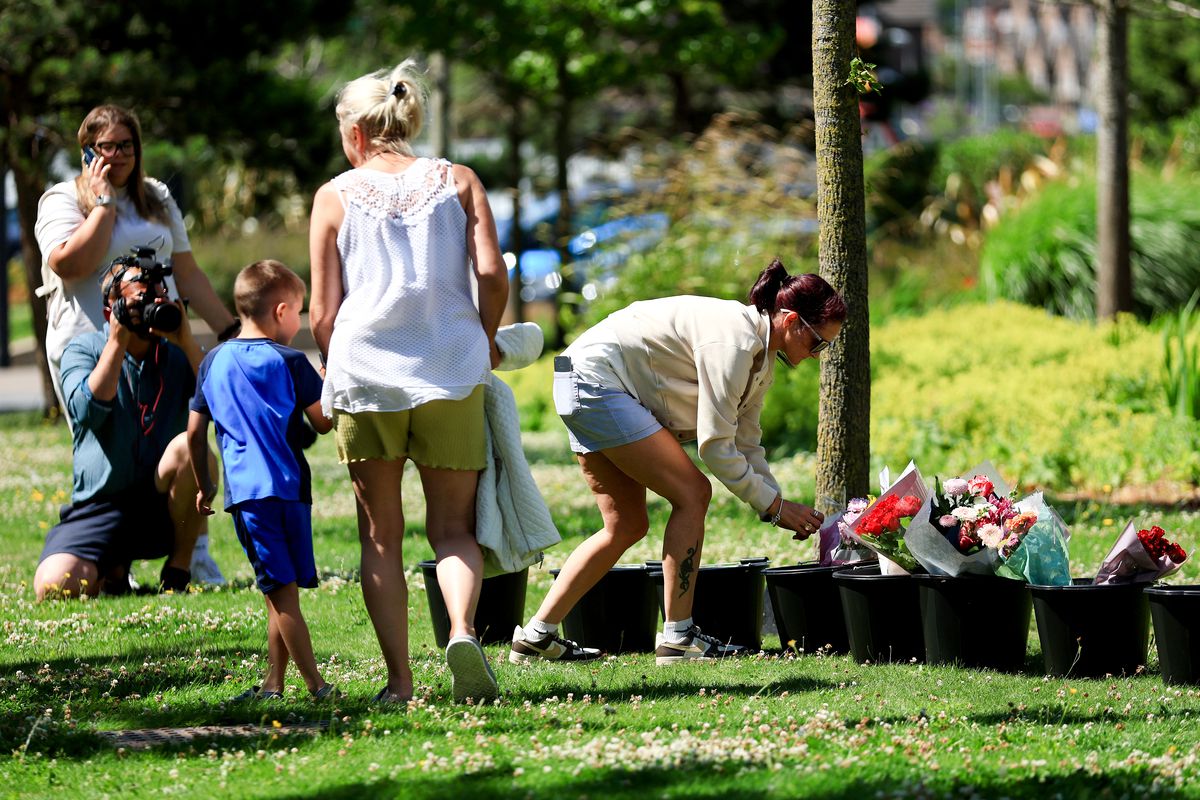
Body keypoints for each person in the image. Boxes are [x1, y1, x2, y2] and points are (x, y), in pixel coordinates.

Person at [510, 259, 846, 666]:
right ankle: (678, 637)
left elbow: (747, 440)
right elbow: (716, 446)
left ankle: (535, 637)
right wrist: (775, 509)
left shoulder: (760, 357)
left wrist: (777, 501)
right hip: (594, 378)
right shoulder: (735, 343)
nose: (817, 356)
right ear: (791, 320)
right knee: (693, 493)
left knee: (626, 524)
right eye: (818, 344)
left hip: (578, 376)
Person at [308, 61, 509, 705]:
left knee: (381, 536)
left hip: (368, 373)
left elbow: (321, 312)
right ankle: (459, 629)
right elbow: (493, 274)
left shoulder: (333, 196)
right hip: (450, 368)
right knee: (452, 529)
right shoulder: (460, 181)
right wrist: (483, 335)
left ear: (359, 132)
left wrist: (333, 357)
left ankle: (399, 681)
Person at [35, 103, 239, 585]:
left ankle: (194, 553)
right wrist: (103, 203)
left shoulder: (158, 198)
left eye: (127, 145)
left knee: (183, 441)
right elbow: (72, 265)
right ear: (87, 151)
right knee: (107, 452)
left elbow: (186, 272)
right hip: (89, 347)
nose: (119, 155)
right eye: (106, 146)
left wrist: (232, 333)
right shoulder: (62, 199)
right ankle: (114, 558)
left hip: (160, 344)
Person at [187, 260, 337, 702]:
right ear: (281, 311)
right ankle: (274, 684)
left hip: (251, 498)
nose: (301, 321)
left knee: (279, 593)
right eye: (300, 312)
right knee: (281, 590)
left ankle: (317, 687)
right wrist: (324, 385)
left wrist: (204, 484)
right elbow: (323, 423)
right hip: (292, 492)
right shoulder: (293, 363)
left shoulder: (213, 362)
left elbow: (195, 433)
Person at [33, 255, 214, 600]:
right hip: (99, 505)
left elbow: (224, 405)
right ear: (109, 311)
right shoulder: (83, 349)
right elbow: (87, 412)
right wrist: (116, 342)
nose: (149, 307)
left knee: (190, 449)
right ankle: (113, 570)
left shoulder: (176, 355)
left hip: (158, 504)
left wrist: (187, 342)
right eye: (139, 300)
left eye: (156, 296)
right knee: (55, 586)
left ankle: (178, 570)